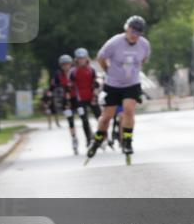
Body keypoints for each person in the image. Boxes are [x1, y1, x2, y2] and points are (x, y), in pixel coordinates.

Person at [87, 15, 151, 164]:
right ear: (127, 29)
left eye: (139, 33)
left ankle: (127, 141)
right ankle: (97, 139)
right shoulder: (115, 42)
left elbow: (144, 60)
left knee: (129, 110)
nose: (135, 35)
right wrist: (108, 70)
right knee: (107, 117)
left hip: (132, 83)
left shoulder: (144, 45)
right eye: (133, 31)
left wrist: (134, 72)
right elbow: (101, 57)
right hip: (113, 84)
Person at [69, 47, 101, 153]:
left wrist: (96, 91)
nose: (81, 60)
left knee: (100, 118)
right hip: (80, 100)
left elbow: (95, 83)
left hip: (91, 98)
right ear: (76, 59)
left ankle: (101, 136)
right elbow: (70, 86)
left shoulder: (91, 70)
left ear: (87, 58)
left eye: (83, 58)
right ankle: (88, 139)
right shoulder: (73, 72)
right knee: (84, 120)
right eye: (79, 58)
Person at [51, 54, 78, 153]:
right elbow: (54, 87)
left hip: (76, 98)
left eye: (67, 64)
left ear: (71, 64)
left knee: (84, 118)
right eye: (64, 65)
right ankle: (74, 138)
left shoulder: (75, 72)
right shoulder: (58, 75)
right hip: (66, 101)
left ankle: (90, 136)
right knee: (70, 120)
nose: (66, 66)